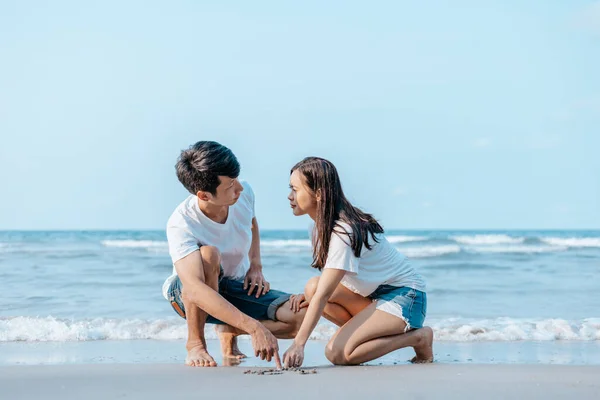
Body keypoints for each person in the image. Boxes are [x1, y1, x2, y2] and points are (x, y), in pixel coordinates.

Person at [162, 141, 306, 367]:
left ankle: (229, 329)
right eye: (230, 186)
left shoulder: (243, 193)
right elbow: (194, 288)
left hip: (233, 284)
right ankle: (195, 344)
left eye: (236, 179)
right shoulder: (182, 223)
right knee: (209, 255)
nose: (239, 188)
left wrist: (255, 266)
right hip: (187, 293)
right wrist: (254, 327)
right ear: (204, 195)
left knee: (299, 317)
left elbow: (251, 223)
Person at [282, 157, 434, 367]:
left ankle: (418, 337)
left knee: (338, 354)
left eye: (295, 190)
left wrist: (298, 344)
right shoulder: (318, 228)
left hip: (406, 298)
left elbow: (325, 294)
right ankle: (361, 336)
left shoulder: (343, 231)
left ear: (318, 194)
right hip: (374, 297)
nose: (290, 196)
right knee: (312, 288)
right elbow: (326, 286)